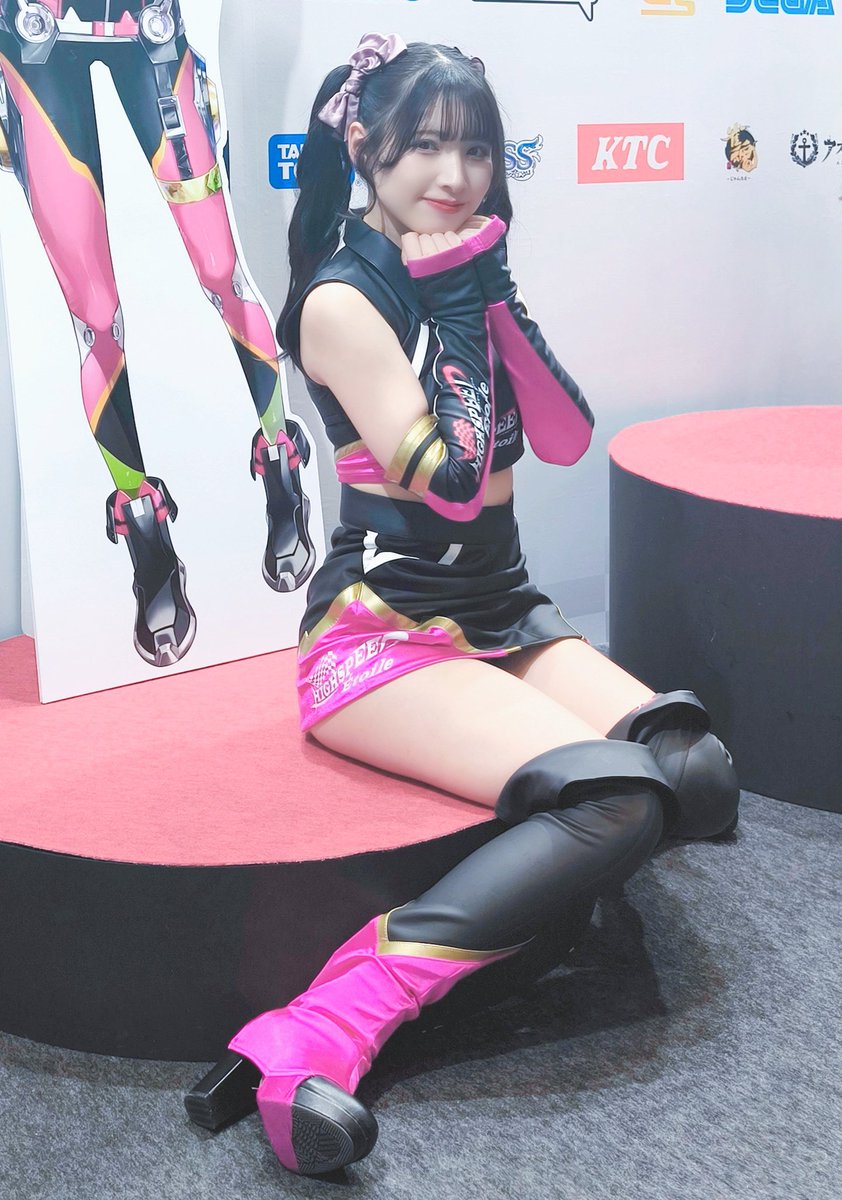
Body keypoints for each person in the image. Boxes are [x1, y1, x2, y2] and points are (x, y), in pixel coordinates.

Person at [185, 33, 739, 1176]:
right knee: (616, 804)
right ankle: (325, 1022)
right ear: (363, 144)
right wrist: (449, 301)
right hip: (380, 636)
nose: (455, 174)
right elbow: (450, 484)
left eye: (476, 149)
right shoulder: (342, 301)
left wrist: (488, 292)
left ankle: (535, 896)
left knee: (693, 772)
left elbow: (563, 435)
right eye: (427, 145)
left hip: (501, 611)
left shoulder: (465, 263)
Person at [0, 0, 315, 668]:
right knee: (93, 315)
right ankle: (144, 527)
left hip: (150, 34)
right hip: (32, 44)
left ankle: (280, 458)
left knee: (220, 269)